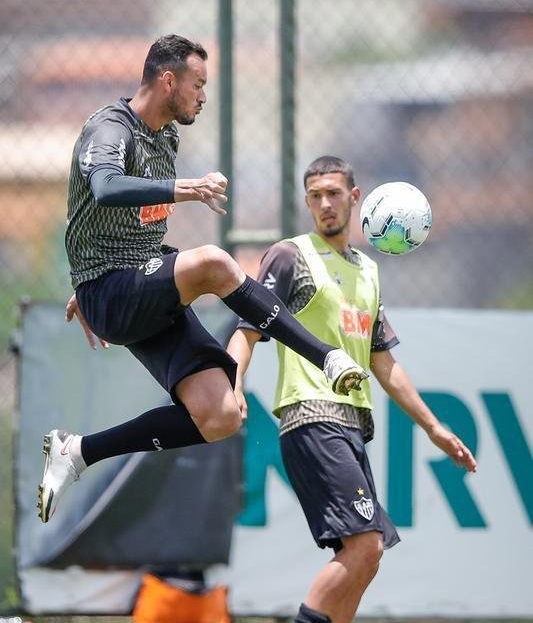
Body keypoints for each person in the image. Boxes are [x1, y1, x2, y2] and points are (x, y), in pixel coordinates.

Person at [38, 37, 368, 524]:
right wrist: (184, 190)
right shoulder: (109, 128)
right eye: (198, 84)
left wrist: (90, 270)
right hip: (110, 292)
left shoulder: (167, 136)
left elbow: (122, 229)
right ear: (168, 80)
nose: (202, 96)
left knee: (220, 417)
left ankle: (78, 452)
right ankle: (326, 356)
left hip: (137, 291)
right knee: (213, 261)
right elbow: (104, 188)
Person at [226, 155, 477, 623]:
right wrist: (234, 386)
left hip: (351, 425)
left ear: (356, 196)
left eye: (334, 193)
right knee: (363, 547)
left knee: (365, 559)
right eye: (315, 195)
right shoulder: (291, 255)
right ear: (307, 201)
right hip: (310, 418)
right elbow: (245, 328)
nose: (324, 204)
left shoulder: (367, 270)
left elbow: (384, 364)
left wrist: (433, 426)